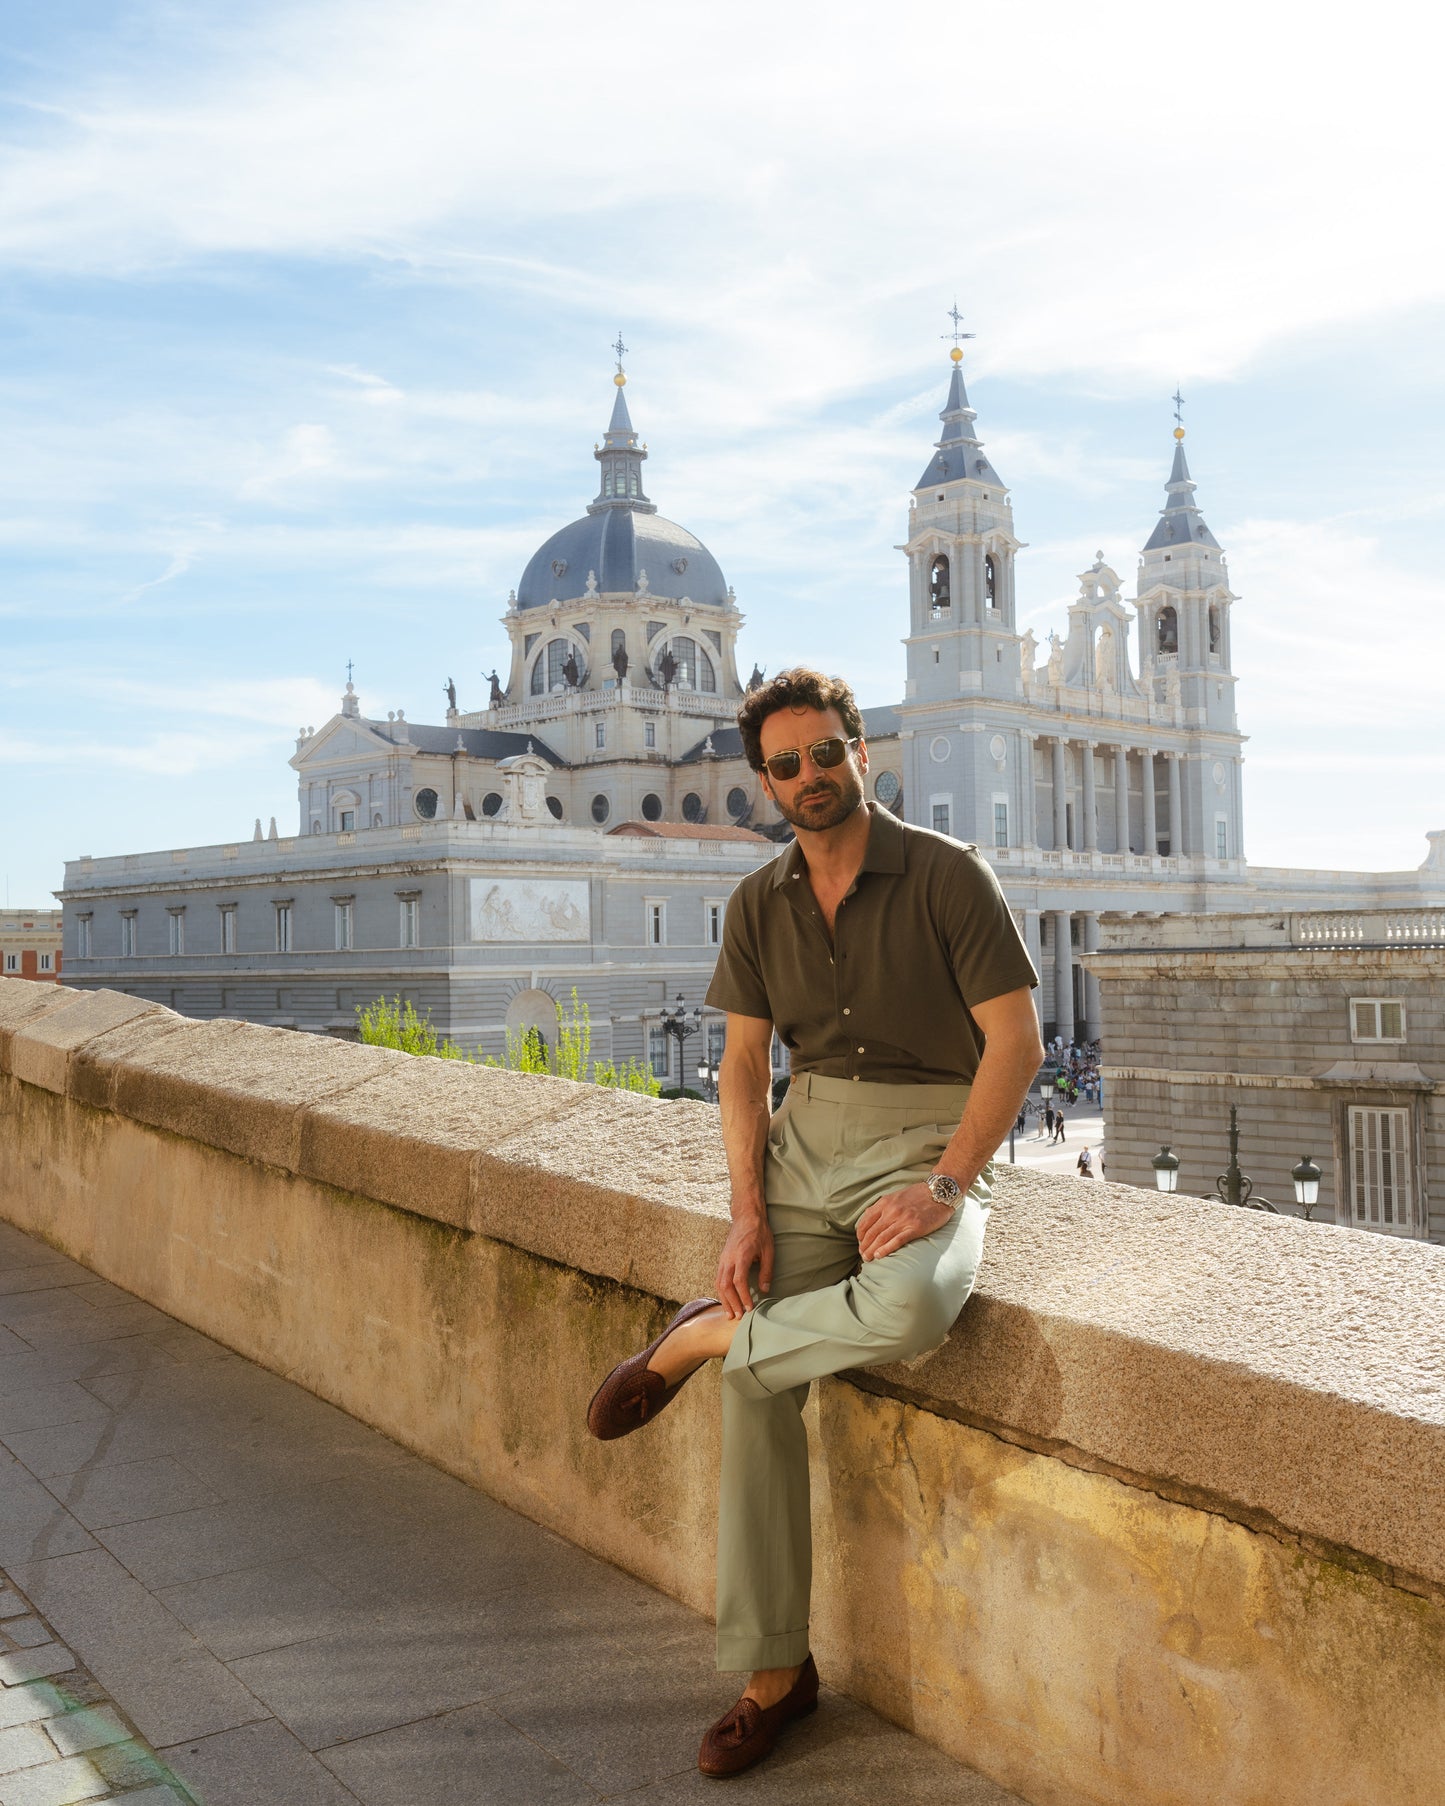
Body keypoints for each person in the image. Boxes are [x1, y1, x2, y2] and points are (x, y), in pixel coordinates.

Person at [585, 668, 1043, 1779]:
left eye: (825, 753)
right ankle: (773, 1675)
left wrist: (941, 1185)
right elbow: (743, 1067)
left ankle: (695, 1338)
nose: (809, 776)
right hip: (805, 1137)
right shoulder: (754, 903)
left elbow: (1016, 1048)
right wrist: (745, 1209)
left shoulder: (947, 876)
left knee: (914, 1300)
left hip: (924, 1139)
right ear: (761, 782)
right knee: (763, 1378)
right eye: (785, 765)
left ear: (860, 753)